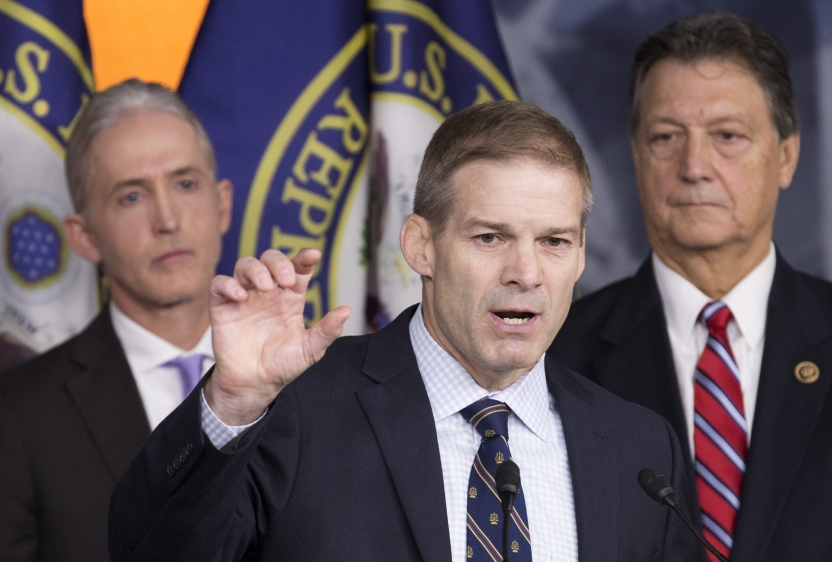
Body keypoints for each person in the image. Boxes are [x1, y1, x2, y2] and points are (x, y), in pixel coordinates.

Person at [108, 101, 699, 561]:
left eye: (553, 242)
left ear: (579, 258)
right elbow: (147, 552)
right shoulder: (292, 411)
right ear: (421, 246)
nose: (526, 273)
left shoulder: (639, 452)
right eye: (489, 237)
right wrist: (234, 401)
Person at [550, 11, 832, 562]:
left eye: (727, 136)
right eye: (666, 137)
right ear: (637, 157)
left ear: (786, 156)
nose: (695, 166)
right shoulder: (551, 361)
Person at [0, 79, 233, 562]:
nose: (167, 219)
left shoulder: (318, 387)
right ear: (83, 237)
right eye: (131, 196)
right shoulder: (9, 419)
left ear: (222, 203)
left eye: (185, 183)